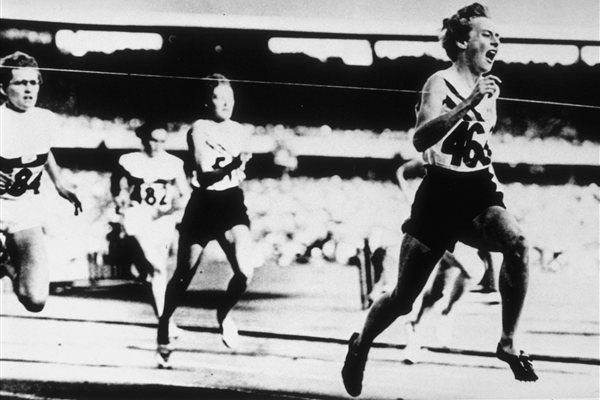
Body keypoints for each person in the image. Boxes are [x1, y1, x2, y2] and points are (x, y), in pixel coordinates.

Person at [342, 4, 537, 396]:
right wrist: (468, 103)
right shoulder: (439, 81)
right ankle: (361, 344)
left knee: (517, 243)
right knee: (403, 299)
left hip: (478, 189)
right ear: (464, 41)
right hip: (439, 194)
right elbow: (419, 139)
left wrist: (497, 199)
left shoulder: (490, 92)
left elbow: (480, 150)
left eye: (499, 36)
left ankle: (507, 341)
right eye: (487, 34)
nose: (496, 41)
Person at [156, 73, 255, 368]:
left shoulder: (241, 130)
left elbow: (238, 174)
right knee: (183, 276)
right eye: (219, 98)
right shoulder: (199, 128)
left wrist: (238, 172)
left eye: (231, 99)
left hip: (232, 204)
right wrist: (235, 165)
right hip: (203, 205)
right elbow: (202, 172)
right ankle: (164, 326)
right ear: (207, 101)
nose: (226, 104)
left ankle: (223, 314)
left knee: (244, 272)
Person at [0, 51, 82, 312]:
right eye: (19, 83)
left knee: (35, 299)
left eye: (32, 83)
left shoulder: (45, 119)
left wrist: (58, 183)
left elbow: (43, 152)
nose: (28, 90)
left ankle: (5, 265)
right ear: (3, 88)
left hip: (23, 207)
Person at [110, 119, 190, 328]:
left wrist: (170, 210)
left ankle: (164, 320)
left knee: (156, 272)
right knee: (157, 269)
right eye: (153, 140)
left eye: (162, 141)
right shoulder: (129, 160)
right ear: (143, 139)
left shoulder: (174, 163)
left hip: (163, 220)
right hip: (138, 216)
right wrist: (120, 199)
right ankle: (166, 323)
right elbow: (118, 188)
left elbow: (185, 195)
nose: (157, 146)